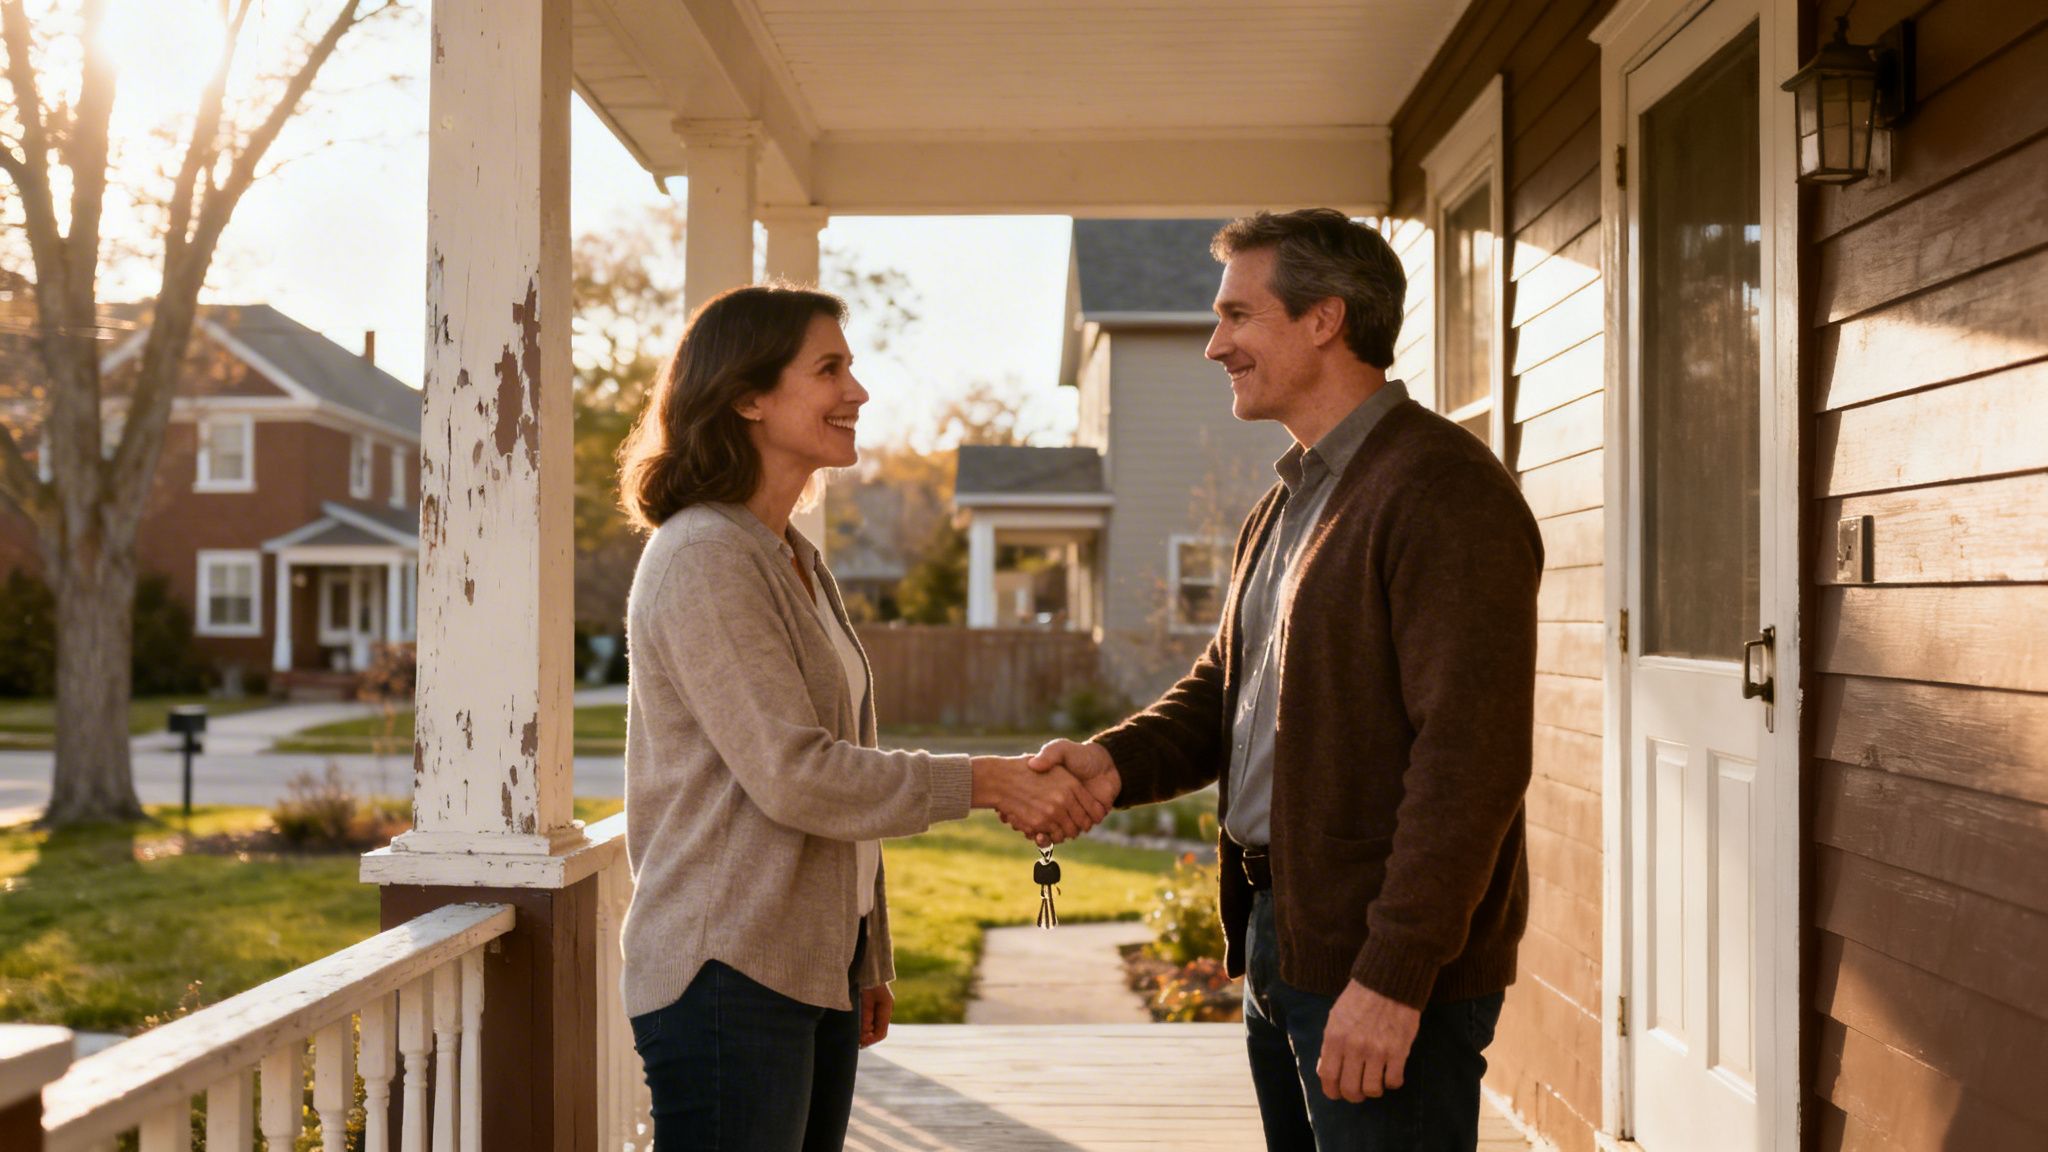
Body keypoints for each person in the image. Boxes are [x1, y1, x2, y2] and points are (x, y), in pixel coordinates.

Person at [1031, 209, 1542, 1152]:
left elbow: (1471, 764)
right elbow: (1228, 689)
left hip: (1381, 966)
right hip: (1287, 934)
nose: (1215, 344)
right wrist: (1110, 763)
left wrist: (1394, 976)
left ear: (1324, 320)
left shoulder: (1443, 492)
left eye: (1237, 315)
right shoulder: (1286, 501)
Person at [614, 282, 1111, 1152]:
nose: (859, 391)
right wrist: (988, 782)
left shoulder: (791, 557)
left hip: (807, 971)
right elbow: (797, 774)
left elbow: (845, 760)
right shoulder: (703, 557)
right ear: (747, 395)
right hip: (726, 973)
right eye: (830, 368)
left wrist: (864, 952)